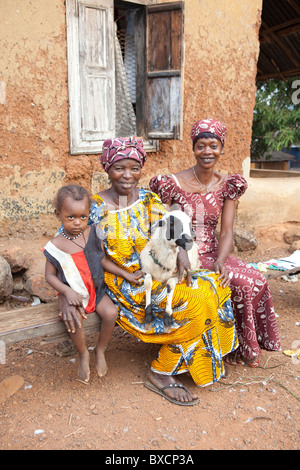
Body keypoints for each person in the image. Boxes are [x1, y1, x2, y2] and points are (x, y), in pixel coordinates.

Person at [58, 136, 239, 406]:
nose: (127, 175)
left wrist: (180, 252)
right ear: (107, 169)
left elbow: (170, 226)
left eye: (134, 167)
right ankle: (162, 371)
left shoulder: (148, 199)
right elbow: (65, 246)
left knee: (217, 286)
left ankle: (198, 358)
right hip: (127, 283)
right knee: (196, 303)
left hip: (158, 272)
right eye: (119, 168)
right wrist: (65, 294)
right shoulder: (93, 207)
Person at [150, 118, 281, 368]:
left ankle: (242, 345)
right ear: (193, 148)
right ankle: (225, 347)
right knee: (239, 282)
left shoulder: (227, 185)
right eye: (201, 145)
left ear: (221, 148)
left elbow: (227, 231)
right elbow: (167, 226)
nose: (207, 152)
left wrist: (221, 260)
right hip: (182, 253)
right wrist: (180, 252)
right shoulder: (173, 184)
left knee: (256, 279)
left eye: (213, 146)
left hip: (214, 252)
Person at [44, 184, 142, 382]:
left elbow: (103, 261)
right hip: (74, 295)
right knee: (75, 322)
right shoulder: (54, 246)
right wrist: (67, 292)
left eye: (83, 217)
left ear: (89, 214)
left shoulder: (95, 233)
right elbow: (50, 276)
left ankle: (100, 349)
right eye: (70, 217)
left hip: (95, 291)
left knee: (111, 313)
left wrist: (126, 274)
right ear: (58, 214)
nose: (77, 223)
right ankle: (83, 354)